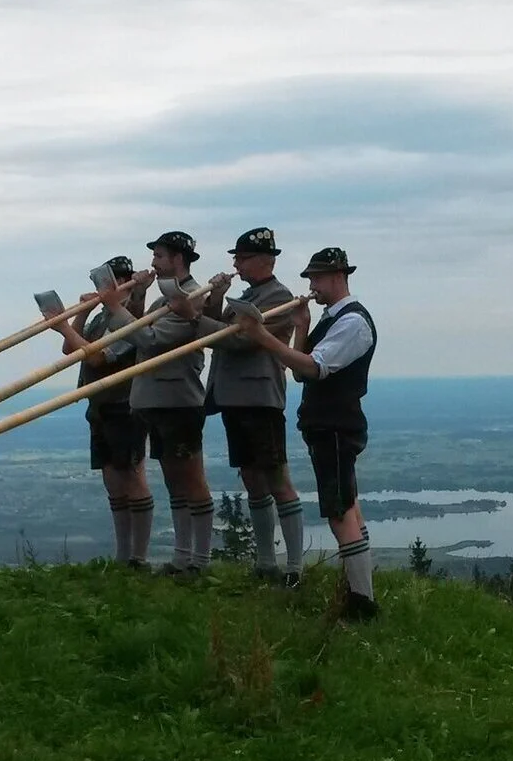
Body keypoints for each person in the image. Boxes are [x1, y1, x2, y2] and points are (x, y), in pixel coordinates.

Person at [230, 246, 378, 620]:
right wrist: (300, 326)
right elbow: (298, 371)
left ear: (337, 276)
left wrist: (261, 335)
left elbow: (314, 369)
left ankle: (361, 602)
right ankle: (358, 591)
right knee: (347, 504)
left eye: (316, 277)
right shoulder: (333, 319)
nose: (311, 284)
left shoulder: (353, 322)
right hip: (326, 425)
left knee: (339, 508)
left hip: (336, 426)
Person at [189, 227, 304, 587]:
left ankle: (295, 566)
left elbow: (237, 341)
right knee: (252, 478)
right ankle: (266, 561)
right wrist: (215, 298)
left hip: (260, 398)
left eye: (241, 258)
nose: (236, 264)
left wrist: (193, 316)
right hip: (234, 397)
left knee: (276, 477)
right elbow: (215, 334)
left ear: (264, 260)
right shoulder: (248, 296)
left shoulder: (278, 298)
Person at [101, 231, 216, 577]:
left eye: (160, 256)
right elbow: (131, 328)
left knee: (191, 479)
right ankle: (183, 558)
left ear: (178, 258)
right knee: (173, 480)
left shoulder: (191, 296)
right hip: (157, 400)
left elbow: (151, 340)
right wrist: (130, 299)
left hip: (179, 401)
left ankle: (201, 560)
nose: (153, 263)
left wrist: (114, 306)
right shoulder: (162, 298)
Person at [49, 257, 155, 567]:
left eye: (107, 284)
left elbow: (97, 358)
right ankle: (124, 556)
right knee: (112, 477)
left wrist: (64, 327)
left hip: (124, 405)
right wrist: (78, 316)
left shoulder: (129, 319)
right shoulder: (100, 318)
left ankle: (139, 556)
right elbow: (72, 349)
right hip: (99, 404)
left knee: (131, 474)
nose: (101, 291)